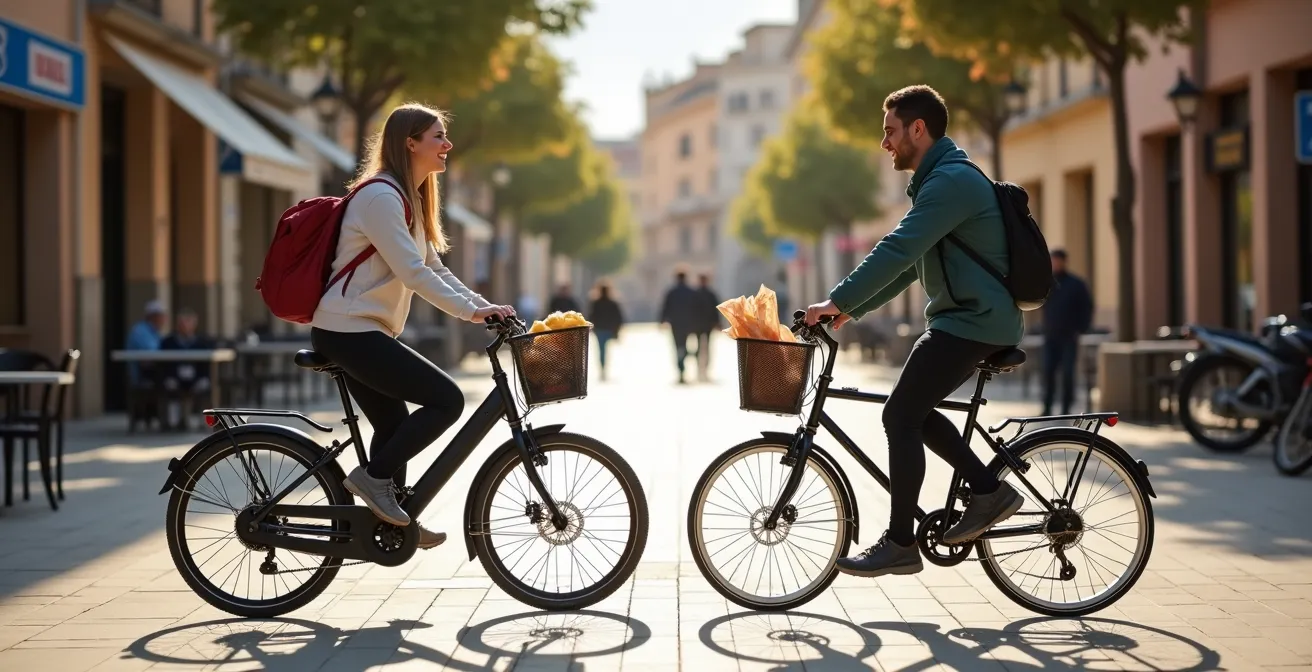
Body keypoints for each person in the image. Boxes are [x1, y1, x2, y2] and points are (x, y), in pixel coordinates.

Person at [804, 85, 1024, 578]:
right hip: (965, 318)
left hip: (973, 321)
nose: (884, 143)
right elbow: (909, 268)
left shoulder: (950, 183)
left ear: (917, 130)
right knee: (910, 412)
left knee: (900, 415)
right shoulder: (938, 182)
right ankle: (987, 491)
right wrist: (850, 311)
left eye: (890, 132)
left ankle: (906, 540)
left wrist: (834, 300)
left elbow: (897, 250)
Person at [309, 103, 516, 549]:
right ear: (410, 143)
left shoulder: (408, 197)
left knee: (393, 424)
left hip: (364, 330)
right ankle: (373, 481)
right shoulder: (381, 197)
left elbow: (434, 268)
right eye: (438, 136)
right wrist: (471, 314)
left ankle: (393, 519)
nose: (448, 144)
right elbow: (413, 273)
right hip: (347, 330)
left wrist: (487, 306)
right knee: (446, 400)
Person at [1041, 249, 1094, 416]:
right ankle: (1047, 407)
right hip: (1050, 336)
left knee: (1068, 373)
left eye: (1058, 261)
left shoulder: (1076, 284)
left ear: (1064, 261)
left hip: (1069, 337)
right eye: (1053, 261)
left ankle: (1066, 408)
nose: (1055, 264)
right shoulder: (1047, 283)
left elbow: (1087, 307)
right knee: (1048, 371)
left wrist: (1081, 328)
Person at [160, 308, 214, 430]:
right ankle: (174, 423)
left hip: (196, 377)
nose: (185, 325)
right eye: (182, 322)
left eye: (188, 322)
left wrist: (203, 377)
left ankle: (204, 422)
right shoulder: (168, 342)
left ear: (194, 324)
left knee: (205, 386)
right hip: (175, 377)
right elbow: (163, 363)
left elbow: (206, 365)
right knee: (169, 386)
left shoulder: (202, 343)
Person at [659, 270, 700, 384]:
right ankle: (687, 355)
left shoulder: (671, 292)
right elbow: (697, 308)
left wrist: (662, 321)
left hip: (676, 324)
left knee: (678, 346)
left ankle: (681, 370)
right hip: (689, 323)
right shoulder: (691, 292)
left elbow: (665, 307)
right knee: (684, 345)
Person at [589, 282, 624, 381]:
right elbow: (619, 318)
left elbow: (592, 316)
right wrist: (617, 330)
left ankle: (603, 368)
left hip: (600, 329)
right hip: (608, 329)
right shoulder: (612, 303)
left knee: (601, 350)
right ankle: (604, 369)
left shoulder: (596, 303)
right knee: (605, 350)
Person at [693, 274, 721, 383]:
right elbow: (715, 310)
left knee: (700, 346)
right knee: (706, 346)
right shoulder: (710, 294)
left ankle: (701, 367)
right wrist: (717, 323)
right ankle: (703, 367)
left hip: (699, 324)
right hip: (707, 324)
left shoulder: (696, 294)